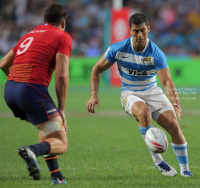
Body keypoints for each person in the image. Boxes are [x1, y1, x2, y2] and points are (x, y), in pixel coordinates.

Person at [86, 13, 192, 177]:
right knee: (144, 113)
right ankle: (158, 161)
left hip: (153, 91)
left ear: (148, 29)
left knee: (174, 126)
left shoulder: (156, 53)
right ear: (129, 30)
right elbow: (97, 68)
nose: (140, 35)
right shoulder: (118, 49)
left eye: (143, 30)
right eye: (136, 31)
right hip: (130, 92)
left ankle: (185, 171)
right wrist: (94, 95)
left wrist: (175, 102)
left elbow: (166, 82)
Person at [0, 3, 72, 184]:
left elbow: (3, 64)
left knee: (47, 127)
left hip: (9, 91)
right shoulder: (63, 36)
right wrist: (62, 108)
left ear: (44, 21)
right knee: (61, 142)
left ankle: (57, 176)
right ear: (63, 23)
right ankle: (32, 150)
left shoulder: (29, 34)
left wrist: (18, 83)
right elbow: (62, 75)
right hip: (31, 90)